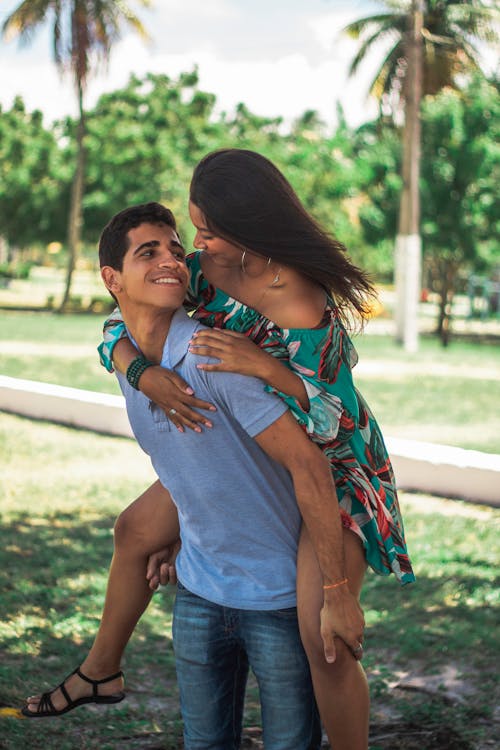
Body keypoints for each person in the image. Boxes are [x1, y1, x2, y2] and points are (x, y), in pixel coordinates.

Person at [26, 149, 415, 749]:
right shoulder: (205, 270)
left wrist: (267, 366)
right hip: (253, 447)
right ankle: (99, 672)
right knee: (136, 531)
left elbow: (334, 421)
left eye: (206, 230)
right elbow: (121, 324)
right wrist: (142, 375)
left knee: (325, 641)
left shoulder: (301, 298)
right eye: (194, 231)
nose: (194, 246)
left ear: (249, 225)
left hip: (334, 466)